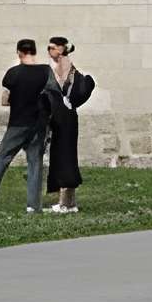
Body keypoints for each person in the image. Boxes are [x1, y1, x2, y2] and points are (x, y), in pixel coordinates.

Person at [0, 37, 55, 211]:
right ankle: (33, 206)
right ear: (34, 52)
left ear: (19, 52)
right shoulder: (46, 71)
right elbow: (53, 95)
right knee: (35, 163)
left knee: (1, 160)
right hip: (38, 124)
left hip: (18, 123)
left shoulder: (13, 73)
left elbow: (5, 99)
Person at [42, 36, 95, 213]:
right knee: (65, 154)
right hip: (67, 115)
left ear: (61, 49)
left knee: (63, 156)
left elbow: (61, 88)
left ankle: (65, 203)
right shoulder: (66, 64)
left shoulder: (63, 63)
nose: (49, 51)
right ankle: (69, 203)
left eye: (52, 48)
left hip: (64, 115)